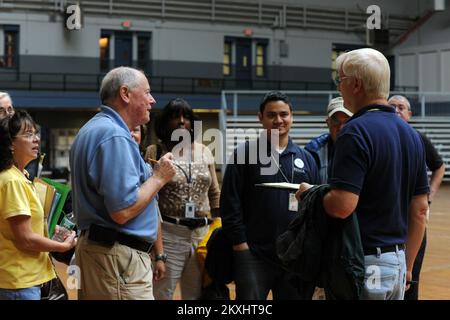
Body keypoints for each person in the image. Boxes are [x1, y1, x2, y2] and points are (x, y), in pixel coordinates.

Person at [297, 48, 429, 300]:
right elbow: (421, 209)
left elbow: (342, 206)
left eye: (341, 80)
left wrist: (311, 194)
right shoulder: (412, 135)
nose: (339, 87)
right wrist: (408, 266)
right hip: (398, 262)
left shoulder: (355, 131)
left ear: (356, 84)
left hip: (365, 261)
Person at [69, 66, 176, 300]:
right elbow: (122, 210)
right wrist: (159, 178)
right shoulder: (114, 135)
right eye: (147, 92)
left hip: (105, 254)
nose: (152, 100)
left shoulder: (93, 129)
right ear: (125, 94)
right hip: (118, 258)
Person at [220, 91, 320, 300]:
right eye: (271, 115)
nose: (278, 120)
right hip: (254, 255)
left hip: (294, 257)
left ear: (292, 116)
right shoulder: (244, 155)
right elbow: (230, 203)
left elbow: (315, 208)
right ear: (260, 118)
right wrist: (241, 245)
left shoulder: (307, 159)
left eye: (284, 114)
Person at [145, 98, 221, 300]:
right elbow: (148, 195)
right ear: (164, 122)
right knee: (161, 293)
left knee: (196, 295)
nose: (181, 121)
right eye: (175, 116)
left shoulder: (204, 151)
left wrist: (220, 228)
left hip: (201, 235)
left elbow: (214, 193)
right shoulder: (156, 152)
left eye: (186, 116)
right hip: (169, 234)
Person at [0, 110, 76, 300]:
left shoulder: (21, 176)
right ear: (10, 144)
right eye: (28, 134)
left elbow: (25, 228)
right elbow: (25, 238)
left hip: (25, 279)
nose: (36, 139)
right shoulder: (12, 181)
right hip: (19, 282)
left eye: (35, 133)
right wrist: (62, 247)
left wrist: (53, 232)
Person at [388, 94, 445, 300]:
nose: (396, 110)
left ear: (409, 114)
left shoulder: (418, 139)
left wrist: (429, 196)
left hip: (413, 220)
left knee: (410, 281)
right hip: (386, 220)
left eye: (401, 107)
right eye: (392, 106)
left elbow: (439, 167)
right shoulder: (382, 136)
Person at [130, 124, 167, 284]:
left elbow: (154, 212)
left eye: (136, 130)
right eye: (128, 129)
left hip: (142, 250)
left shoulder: (146, 167)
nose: (131, 134)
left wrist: (159, 255)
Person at [305, 97, 353, 183]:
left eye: (347, 121)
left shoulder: (363, 148)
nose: (341, 127)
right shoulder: (313, 151)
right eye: (336, 121)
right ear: (328, 123)